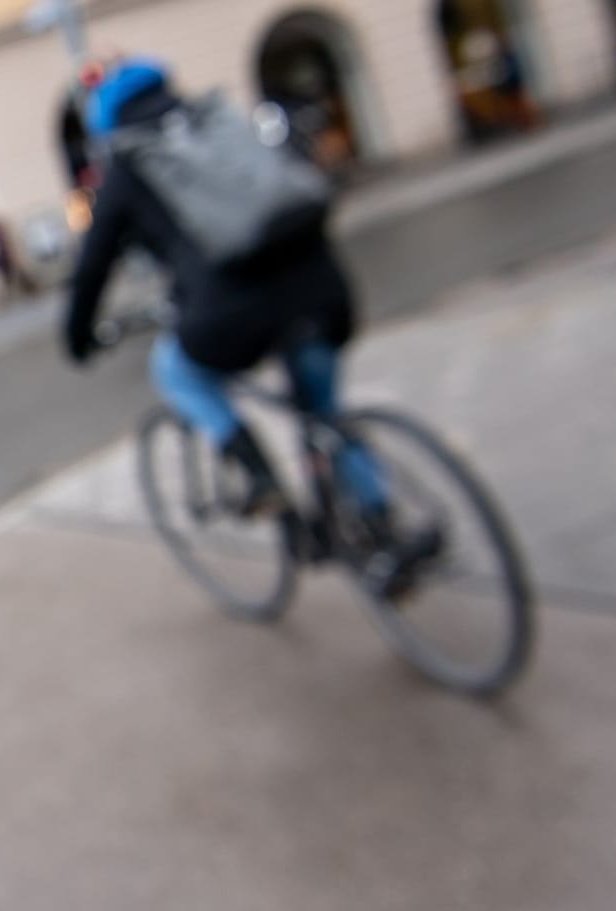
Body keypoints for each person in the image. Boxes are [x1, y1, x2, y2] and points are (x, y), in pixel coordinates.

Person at [62, 59, 433, 589]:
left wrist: (77, 337)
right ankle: (381, 526)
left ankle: (259, 475)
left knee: (176, 371)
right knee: (324, 415)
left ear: (108, 123)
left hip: (234, 314)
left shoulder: (131, 165)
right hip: (323, 288)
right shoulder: (220, 120)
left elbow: (92, 267)